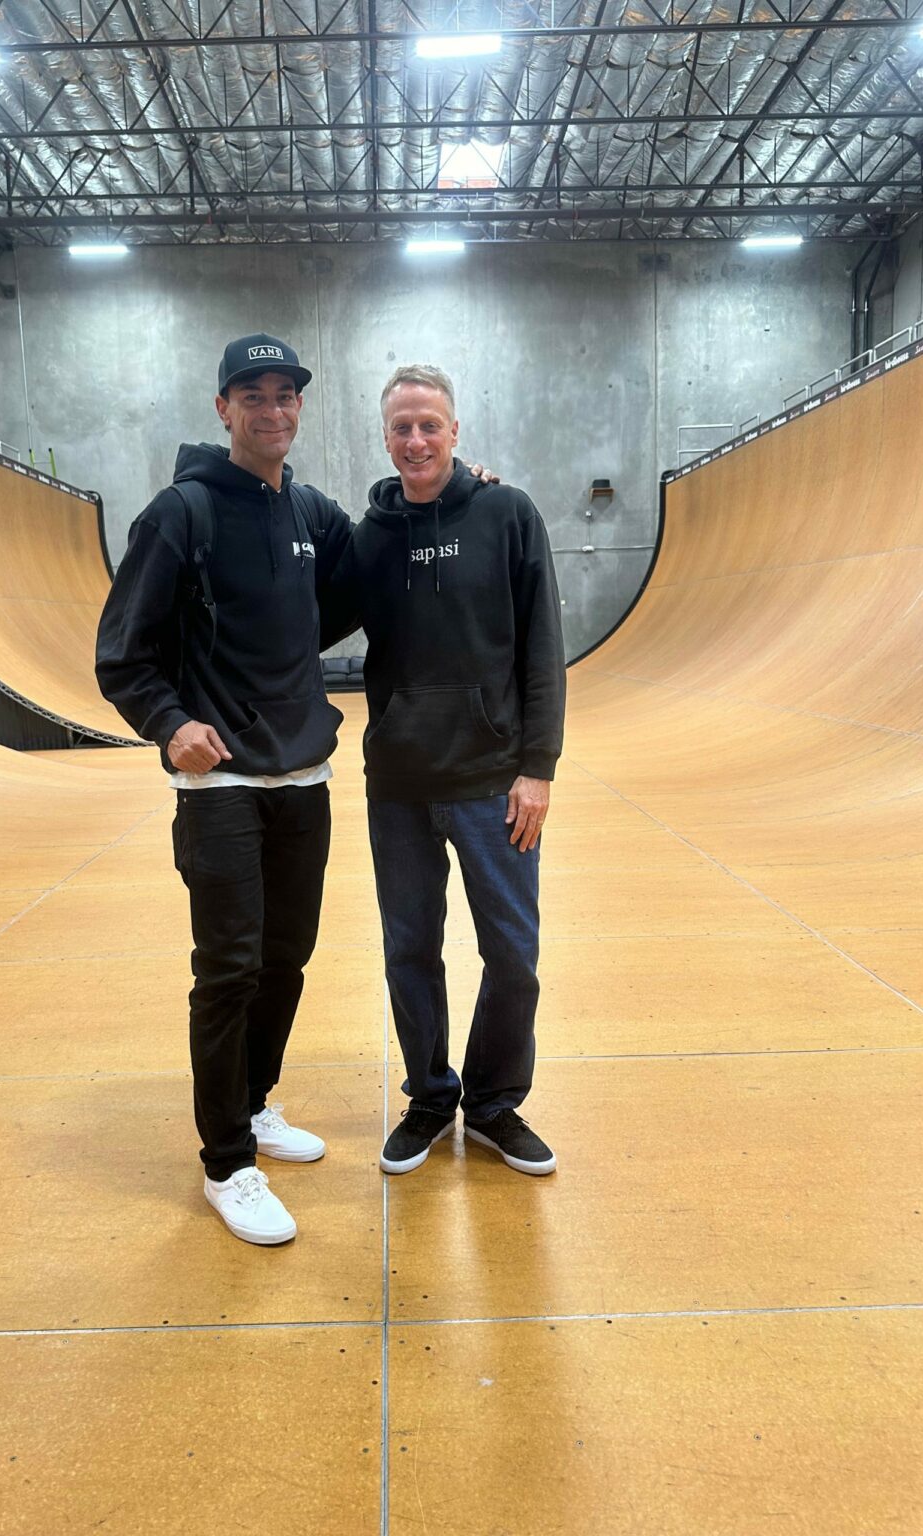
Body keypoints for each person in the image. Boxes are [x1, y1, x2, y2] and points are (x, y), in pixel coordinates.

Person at [95, 335, 353, 1247]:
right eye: (253, 395)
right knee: (230, 970)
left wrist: (455, 491)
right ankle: (227, 1163)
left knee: (287, 959)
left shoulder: (311, 511)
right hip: (223, 788)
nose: (272, 410)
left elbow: (367, 574)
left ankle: (254, 1102)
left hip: (305, 775)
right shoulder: (182, 513)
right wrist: (170, 723)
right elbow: (122, 653)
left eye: (286, 394)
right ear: (223, 409)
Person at [328, 364, 566, 1177]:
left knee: (513, 955)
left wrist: (538, 767)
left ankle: (493, 1104)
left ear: (455, 431)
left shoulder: (507, 513)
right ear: (384, 437)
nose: (417, 439)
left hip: (494, 782)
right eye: (402, 427)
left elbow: (542, 649)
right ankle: (430, 1096)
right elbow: (307, 620)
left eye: (430, 424)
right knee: (410, 950)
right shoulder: (371, 538)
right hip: (399, 785)